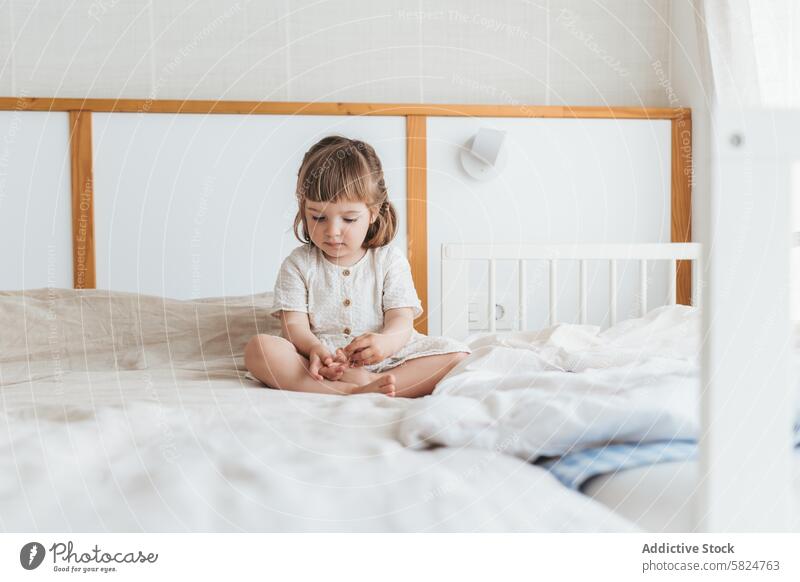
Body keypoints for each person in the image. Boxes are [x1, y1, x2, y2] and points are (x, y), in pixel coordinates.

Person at [245, 135, 470, 397]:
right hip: (320, 360)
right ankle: (345, 389)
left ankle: (377, 382)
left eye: (349, 219)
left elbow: (401, 320)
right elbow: (294, 326)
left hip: (387, 358)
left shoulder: (389, 260)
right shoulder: (298, 264)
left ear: (373, 212)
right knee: (259, 349)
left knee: (457, 355)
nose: (332, 231)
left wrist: (385, 343)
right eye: (317, 217)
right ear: (303, 210)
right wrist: (315, 349)